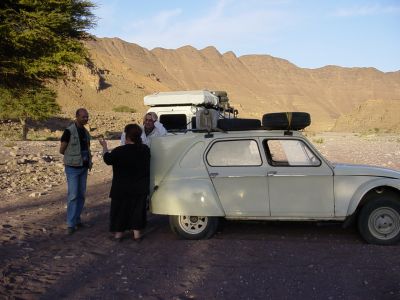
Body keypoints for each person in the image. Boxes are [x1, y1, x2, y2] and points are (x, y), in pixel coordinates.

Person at [99, 124, 150, 241]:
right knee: (137, 210)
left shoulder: (119, 151)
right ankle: (137, 235)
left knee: (120, 210)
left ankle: (118, 235)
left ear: (127, 136)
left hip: (121, 188)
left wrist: (104, 146)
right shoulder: (145, 150)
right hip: (139, 188)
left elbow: (107, 159)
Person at [60, 108, 92, 235]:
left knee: (81, 195)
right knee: (73, 196)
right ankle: (70, 224)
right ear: (77, 117)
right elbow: (62, 149)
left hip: (83, 167)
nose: (86, 119)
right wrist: (72, 157)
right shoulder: (69, 131)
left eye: (87, 117)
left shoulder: (85, 132)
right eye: (84, 116)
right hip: (72, 168)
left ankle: (77, 219)